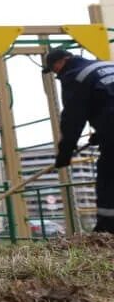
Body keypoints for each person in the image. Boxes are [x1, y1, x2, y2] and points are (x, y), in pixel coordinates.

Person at [45, 48, 114, 233]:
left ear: (60, 62)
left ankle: (108, 228)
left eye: (53, 68)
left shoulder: (75, 76)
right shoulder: (106, 65)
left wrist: (65, 152)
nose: (55, 73)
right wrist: (102, 133)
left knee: (108, 177)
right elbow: (107, 99)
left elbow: (72, 119)